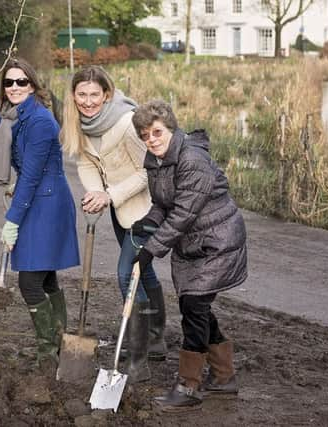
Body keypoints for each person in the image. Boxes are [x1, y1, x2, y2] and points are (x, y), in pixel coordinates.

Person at [130, 99, 248, 411]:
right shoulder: (156, 160)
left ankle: (189, 385)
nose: (151, 139)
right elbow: (164, 203)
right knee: (193, 305)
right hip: (192, 244)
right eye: (145, 135)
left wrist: (150, 251)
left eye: (156, 132)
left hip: (217, 242)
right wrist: (149, 221)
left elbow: (183, 212)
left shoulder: (192, 159)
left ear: (170, 128)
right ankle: (224, 377)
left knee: (194, 305)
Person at [60, 65, 167, 382]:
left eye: (95, 94)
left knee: (126, 275)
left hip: (148, 210)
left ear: (107, 95)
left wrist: (109, 194)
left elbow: (150, 170)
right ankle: (157, 335)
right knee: (143, 270)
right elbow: (86, 161)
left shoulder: (127, 123)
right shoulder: (79, 123)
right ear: (74, 96)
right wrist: (94, 191)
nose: (88, 101)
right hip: (121, 210)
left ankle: (138, 359)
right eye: (82, 94)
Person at [0, 58, 80, 374]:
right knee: (45, 276)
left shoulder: (40, 121)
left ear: (33, 86)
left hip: (46, 205)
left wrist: (12, 220)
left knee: (30, 280)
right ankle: (60, 343)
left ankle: (49, 351)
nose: (14, 87)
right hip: (36, 200)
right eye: (9, 82)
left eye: (21, 82)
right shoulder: (13, 118)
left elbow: (31, 176)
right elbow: (26, 172)